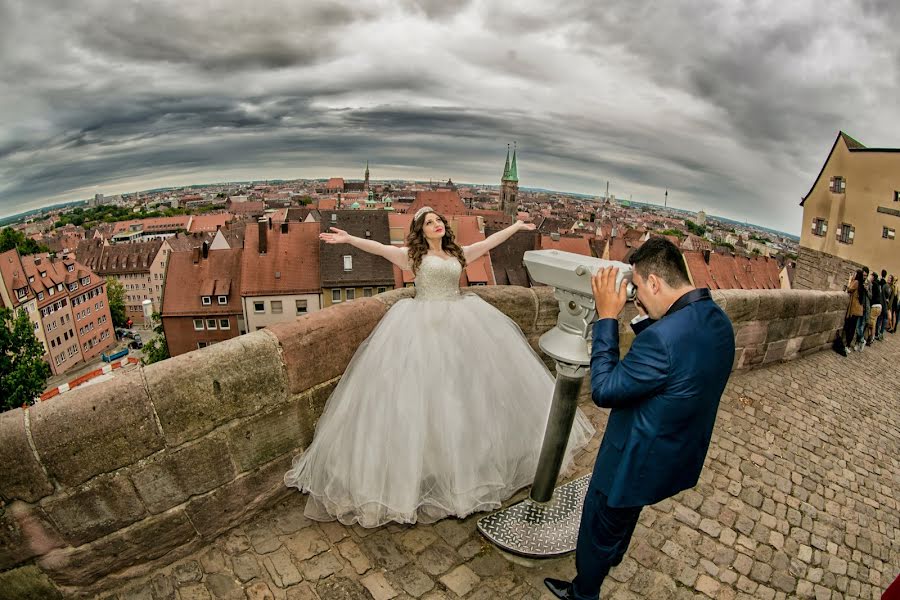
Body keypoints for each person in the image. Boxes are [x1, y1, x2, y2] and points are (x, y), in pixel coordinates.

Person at [283, 207, 595, 527]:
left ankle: (469, 471)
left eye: (438, 221)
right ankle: (427, 474)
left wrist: (516, 226)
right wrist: (348, 238)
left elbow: (490, 242)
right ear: (421, 231)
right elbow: (378, 247)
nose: (436, 225)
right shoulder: (413, 257)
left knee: (466, 397)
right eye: (429, 222)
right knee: (423, 401)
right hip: (420, 329)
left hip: (462, 325)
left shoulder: (458, 253)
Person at [544, 238, 735, 600]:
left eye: (638, 287)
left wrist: (605, 318)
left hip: (631, 460)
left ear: (654, 283)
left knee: (597, 529)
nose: (636, 297)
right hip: (671, 457)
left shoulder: (662, 341)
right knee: (624, 520)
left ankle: (583, 592)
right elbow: (679, 365)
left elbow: (604, 389)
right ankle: (612, 556)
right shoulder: (717, 320)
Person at [842, 270, 866, 353]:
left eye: (855, 273)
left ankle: (847, 345)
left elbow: (849, 289)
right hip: (858, 310)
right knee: (852, 327)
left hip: (854, 309)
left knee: (850, 327)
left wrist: (849, 279)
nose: (854, 274)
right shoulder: (860, 283)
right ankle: (848, 345)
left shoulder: (856, 282)